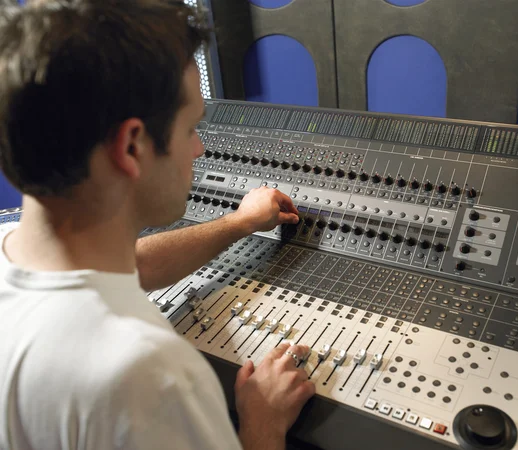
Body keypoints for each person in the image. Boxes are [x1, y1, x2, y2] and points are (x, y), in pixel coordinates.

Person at [0, 1, 316, 449]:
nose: (199, 150)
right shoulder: (149, 375)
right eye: (190, 128)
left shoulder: (12, 247)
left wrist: (239, 223)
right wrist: (262, 422)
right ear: (132, 147)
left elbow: (130, 265)